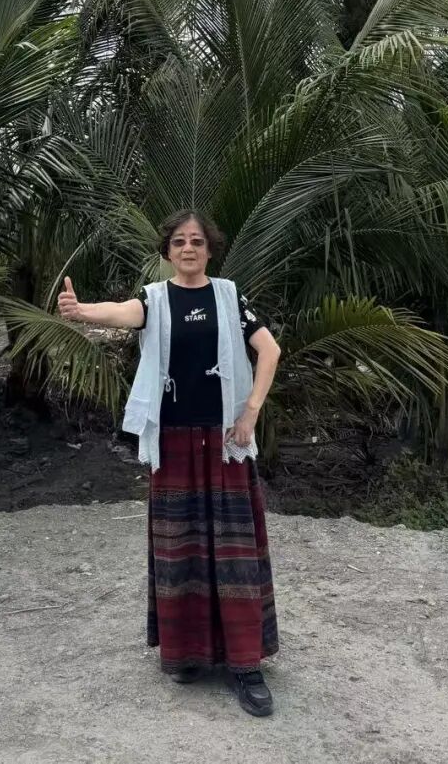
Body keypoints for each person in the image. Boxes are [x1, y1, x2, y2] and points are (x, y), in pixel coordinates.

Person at [57, 209, 282, 717]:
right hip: (174, 444)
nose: (188, 248)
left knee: (235, 555)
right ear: (167, 252)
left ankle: (246, 666)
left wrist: (250, 412)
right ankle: (189, 653)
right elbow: (123, 313)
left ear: (210, 249)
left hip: (225, 442)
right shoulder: (155, 299)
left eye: (197, 241)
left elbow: (269, 351)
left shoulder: (229, 296)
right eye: (179, 241)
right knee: (179, 552)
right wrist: (80, 309)